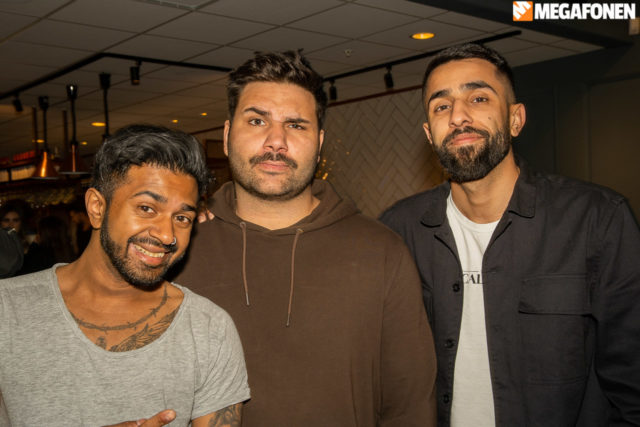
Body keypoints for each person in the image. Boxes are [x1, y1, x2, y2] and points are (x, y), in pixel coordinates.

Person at [380, 43, 640, 426]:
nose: (458, 116)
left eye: (478, 98)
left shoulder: (597, 220)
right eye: (441, 106)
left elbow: (632, 383)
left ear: (516, 119)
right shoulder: (399, 230)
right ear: (428, 133)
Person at [173, 51, 437, 426]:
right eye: (257, 120)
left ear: (319, 142)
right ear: (228, 136)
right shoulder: (178, 247)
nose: (276, 141)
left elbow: (410, 404)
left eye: (296, 125)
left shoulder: (380, 250)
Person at [0, 125, 250, 426]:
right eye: (146, 208)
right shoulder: (7, 309)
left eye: (182, 217)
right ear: (97, 207)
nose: (167, 234)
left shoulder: (208, 328)